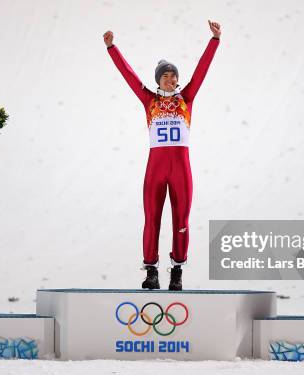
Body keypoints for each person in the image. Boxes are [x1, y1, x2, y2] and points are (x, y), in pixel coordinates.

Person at [103, 21, 221, 290]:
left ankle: (177, 269)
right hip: (155, 168)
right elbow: (129, 75)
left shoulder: (186, 98)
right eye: (165, 76)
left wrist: (214, 40)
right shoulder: (150, 101)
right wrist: (112, 48)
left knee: (181, 220)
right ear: (158, 80)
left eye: (174, 75)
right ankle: (151, 271)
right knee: (151, 219)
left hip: (181, 168)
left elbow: (202, 71)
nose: (171, 78)